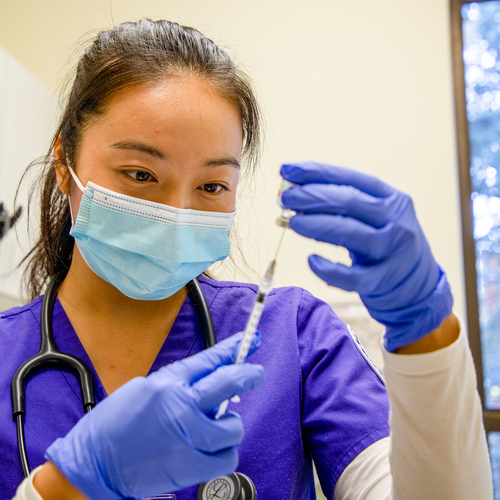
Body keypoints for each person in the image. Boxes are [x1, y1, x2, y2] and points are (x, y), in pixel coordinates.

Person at [0, 18, 492, 500]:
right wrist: (65, 488)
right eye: (140, 174)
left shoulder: (295, 335)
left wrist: (426, 334)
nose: (177, 214)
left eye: (211, 186)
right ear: (64, 164)